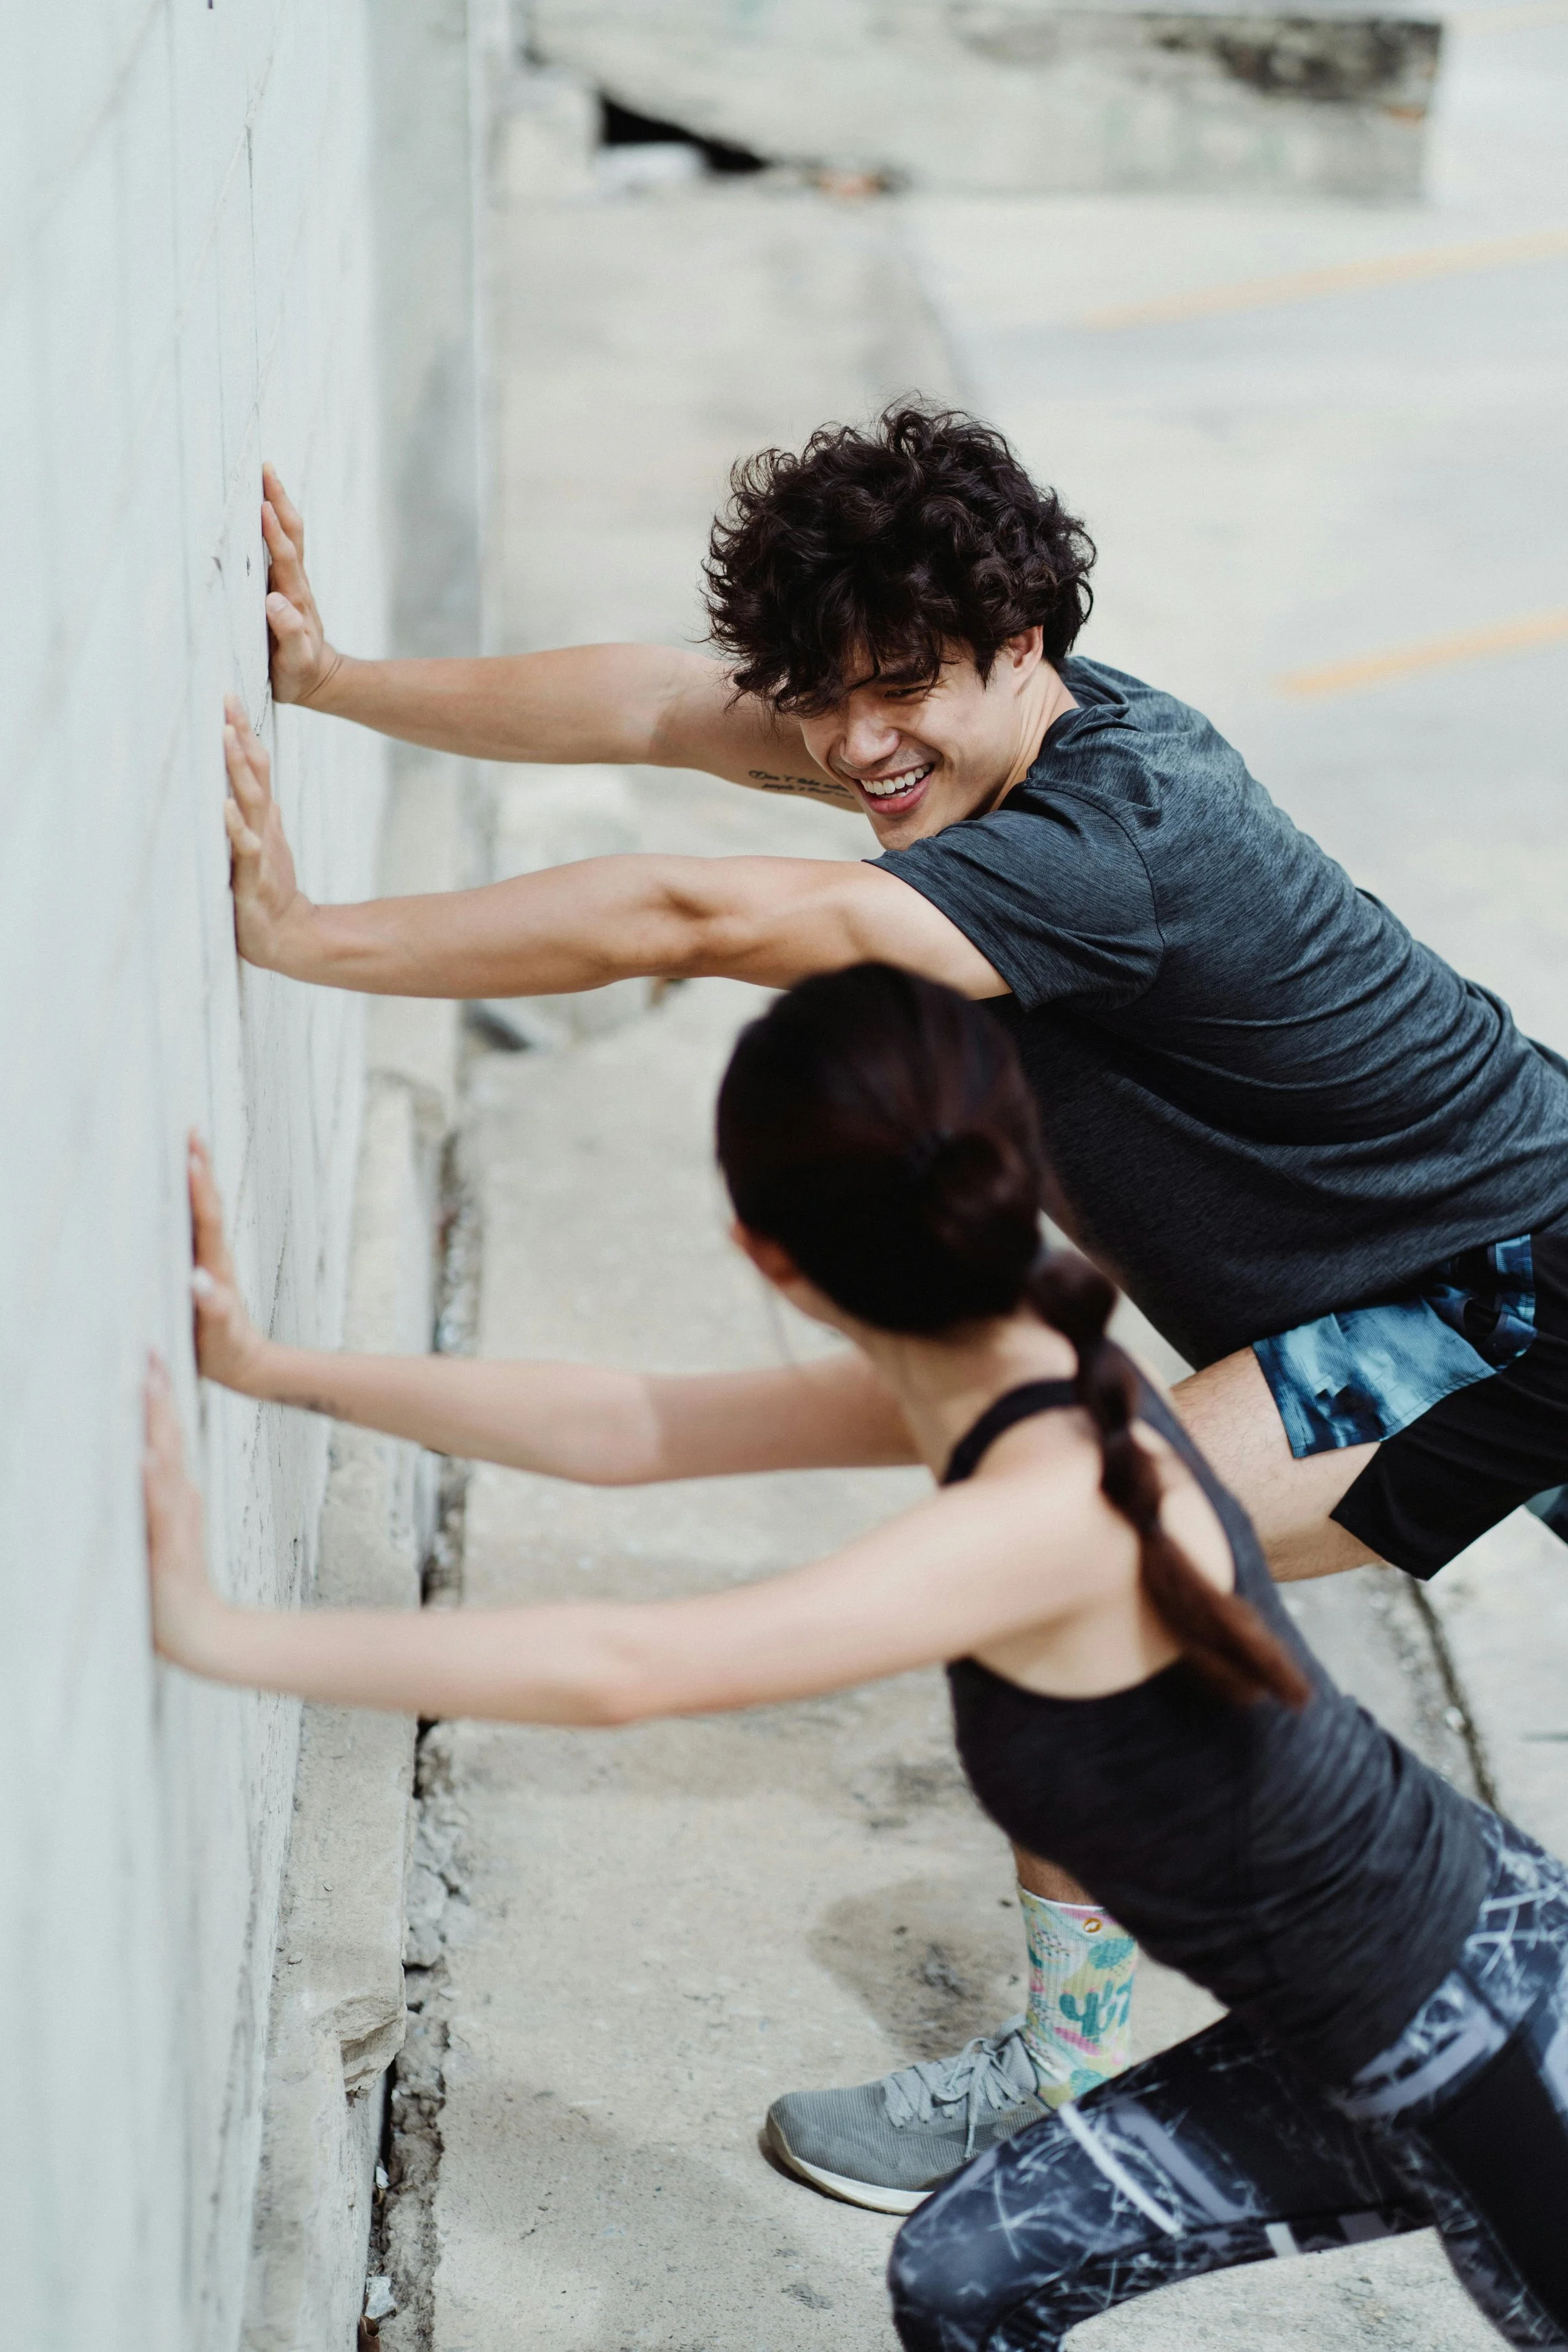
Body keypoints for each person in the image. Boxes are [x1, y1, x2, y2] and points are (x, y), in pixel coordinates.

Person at [223, 410, 1568, 2199]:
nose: (856, 742)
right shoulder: (971, 747)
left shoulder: (1106, 845)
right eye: (820, 693)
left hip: (1501, 1301)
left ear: (1026, 646)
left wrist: (315, 937)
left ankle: (1071, 2088)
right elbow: (651, 707)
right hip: (1443, 1279)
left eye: (900, 690)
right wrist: (331, 679)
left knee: (1081, 1547)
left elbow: (696, 907)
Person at [147, 967, 1568, 2344]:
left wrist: (225, 1634)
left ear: (764, 1252)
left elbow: (629, 1668)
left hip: (1486, 2055)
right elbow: (632, 1425)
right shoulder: (1004, 1363)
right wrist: (275, 1369)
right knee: (967, 2276)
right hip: (1408, 1996)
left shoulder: (1045, 1497)